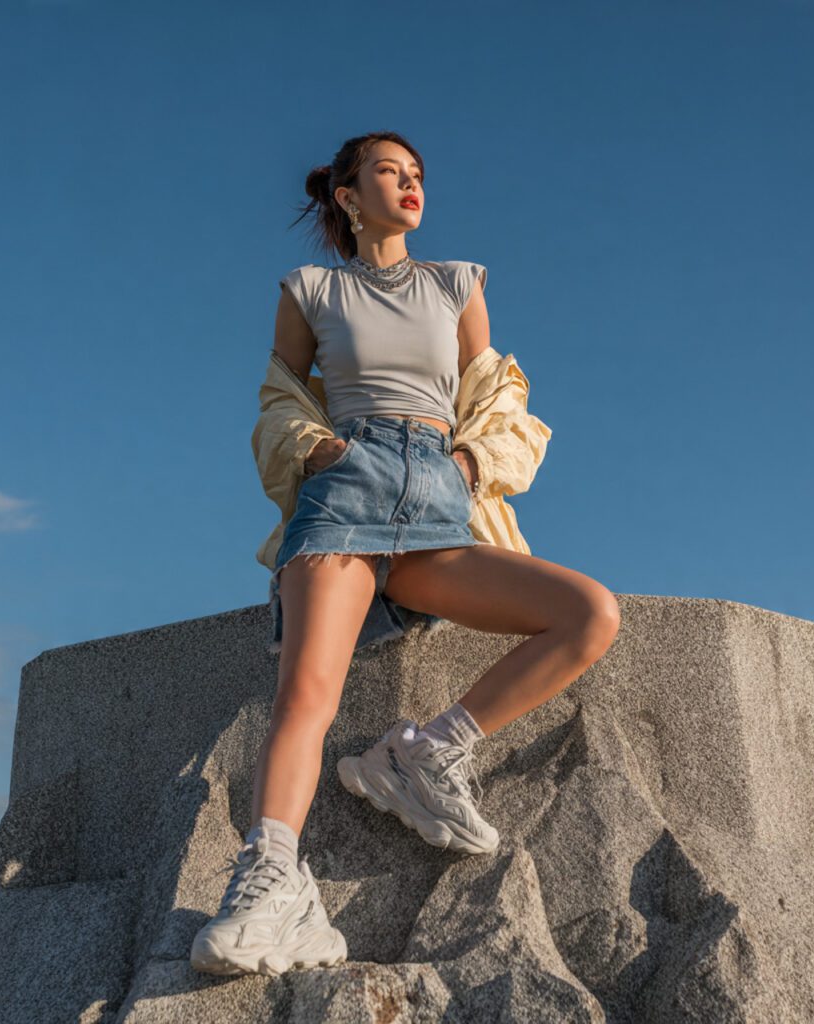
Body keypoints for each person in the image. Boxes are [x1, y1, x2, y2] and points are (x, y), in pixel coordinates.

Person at [190, 131, 621, 978]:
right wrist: (322, 452)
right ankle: (272, 886)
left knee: (589, 614)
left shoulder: (458, 284)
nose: (410, 184)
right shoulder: (310, 289)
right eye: (389, 172)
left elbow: (494, 396)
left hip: (436, 493)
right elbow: (280, 398)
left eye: (418, 173)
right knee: (304, 695)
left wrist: (467, 466)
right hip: (346, 486)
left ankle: (423, 752)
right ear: (348, 196)